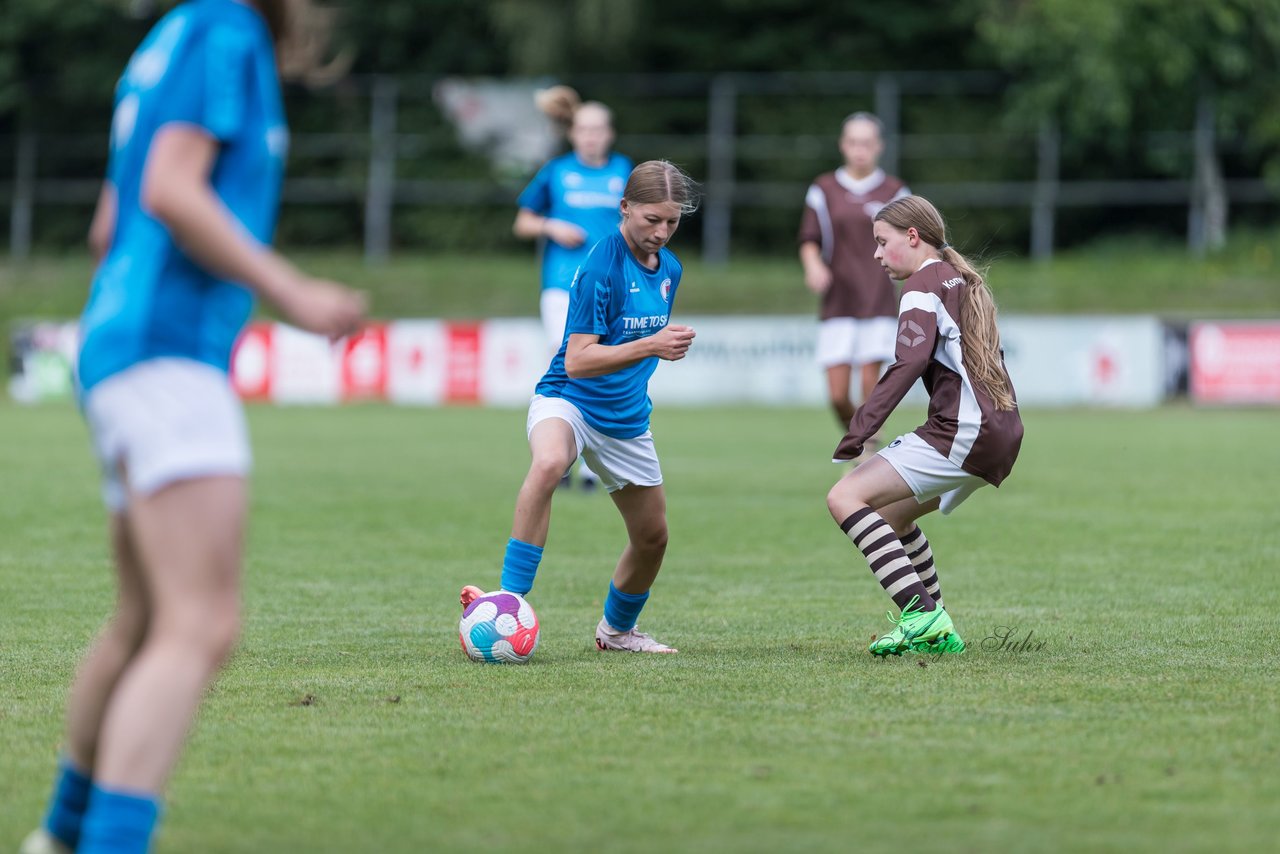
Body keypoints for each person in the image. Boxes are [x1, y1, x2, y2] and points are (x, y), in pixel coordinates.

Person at [22, 2, 365, 853]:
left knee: (142, 620)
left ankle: (61, 835)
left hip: (124, 343)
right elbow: (170, 190)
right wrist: (291, 292)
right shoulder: (224, 29)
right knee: (199, 624)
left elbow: (112, 223)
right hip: (167, 349)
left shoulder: (168, 36)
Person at [462, 160, 699, 654]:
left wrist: (653, 348)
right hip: (568, 399)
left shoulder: (670, 269)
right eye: (651, 219)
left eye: (671, 222)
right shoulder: (599, 268)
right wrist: (652, 345)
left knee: (652, 538)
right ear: (625, 208)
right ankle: (506, 600)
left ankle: (616, 633)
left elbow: (635, 350)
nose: (661, 232)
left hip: (626, 419)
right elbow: (578, 361)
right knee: (550, 463)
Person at [824, 195, 1023, 657]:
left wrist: (859, 430)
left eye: (881, 242)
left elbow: (907, 363)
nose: (876, 254)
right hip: (1001, 431)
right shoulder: (961, 277)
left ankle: (921, 615)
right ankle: (937, 627)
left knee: (844, 497)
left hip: (965, 431)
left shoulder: (921, 285)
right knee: (892, 517)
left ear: (912, 237)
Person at [514, 86, 634, 491]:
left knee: (602, 366)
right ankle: (559, 456)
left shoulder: (624, 172)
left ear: (610, 134)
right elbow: (523, 221)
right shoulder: (557, 172)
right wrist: (551, 225)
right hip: (563, 285)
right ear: (573, 133)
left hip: (610, 287)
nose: (591, 136)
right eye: (584, 129)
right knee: (567, 361)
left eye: (598, 129)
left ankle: (588, 463)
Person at [799, 111, 910, 455]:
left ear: (878, 147)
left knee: (869, 385)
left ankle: (868, 448)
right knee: (836, 395)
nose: (859, 150)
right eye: (853, 142)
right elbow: (809, 238)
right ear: (843, 145)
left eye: (867, 143)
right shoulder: (824, 188)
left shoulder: (894, 190)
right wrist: (813, 265)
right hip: (838, 299)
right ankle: (864, 444)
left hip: (878, 298)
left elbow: (910, 242)